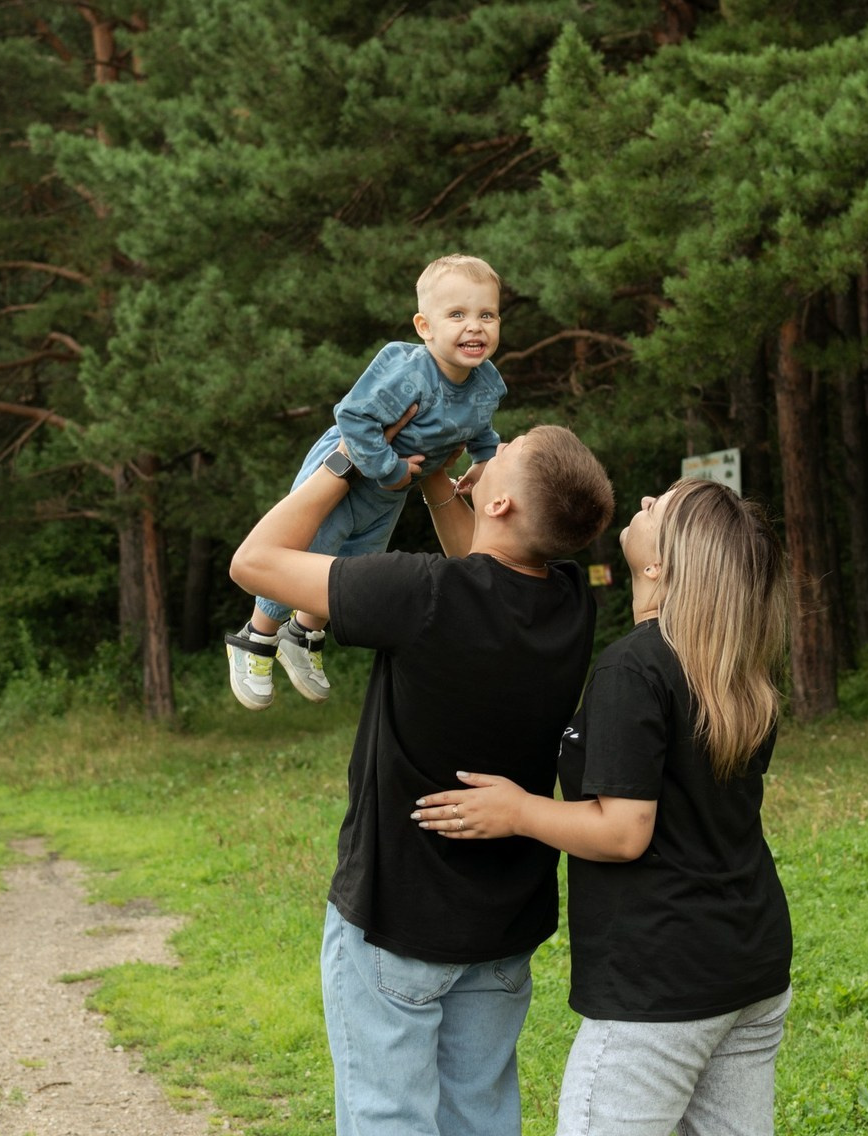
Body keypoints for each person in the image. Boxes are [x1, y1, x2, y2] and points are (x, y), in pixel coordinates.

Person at [229, 419, 615, 1136]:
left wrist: (343, 462)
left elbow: (254, 562)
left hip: (396, 918)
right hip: (503, 927)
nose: (493, 449)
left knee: (389, 1118)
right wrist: (436, 475)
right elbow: (488, 571)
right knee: (481, 1119)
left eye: (507, 452)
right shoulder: (569, 602)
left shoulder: (420, 594)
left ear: (499, 504)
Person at [412, 478, 793, 1136]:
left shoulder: (635, 668)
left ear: (659, 566)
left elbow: (623, 831)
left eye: (658, 507)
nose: (643, 502)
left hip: (661, 985)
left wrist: (517, 811)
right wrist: (446, 491)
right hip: (750, 970)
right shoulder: (734, 671)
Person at [224, 253, 507, 710]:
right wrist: (391, 470)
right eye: (457, 314)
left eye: (486, 315)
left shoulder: (486, 383)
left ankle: (303, 634)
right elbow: (353, 417)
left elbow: (480, 429)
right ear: (425, 327)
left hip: (391, 492)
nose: (474, 326)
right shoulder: (408, 371)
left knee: (353, 563)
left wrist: (485, 461)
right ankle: (256, 637)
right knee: (310, 549)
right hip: (352, 467)